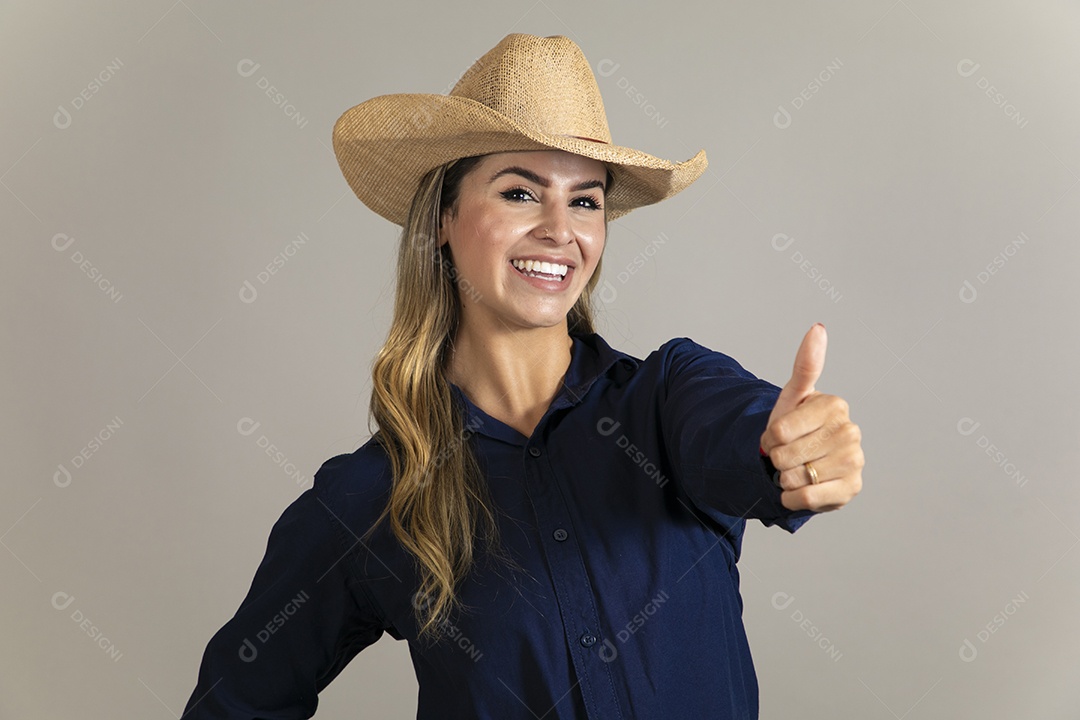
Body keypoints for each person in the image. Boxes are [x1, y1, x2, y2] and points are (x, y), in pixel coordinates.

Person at [182, 33, 863, 719]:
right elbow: (237, 700)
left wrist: (796, 449)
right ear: (444, 218)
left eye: (586, 201)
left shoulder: (668, 401)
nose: (559, 229)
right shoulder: (371, 495)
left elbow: (747, 433)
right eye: (519, 192)